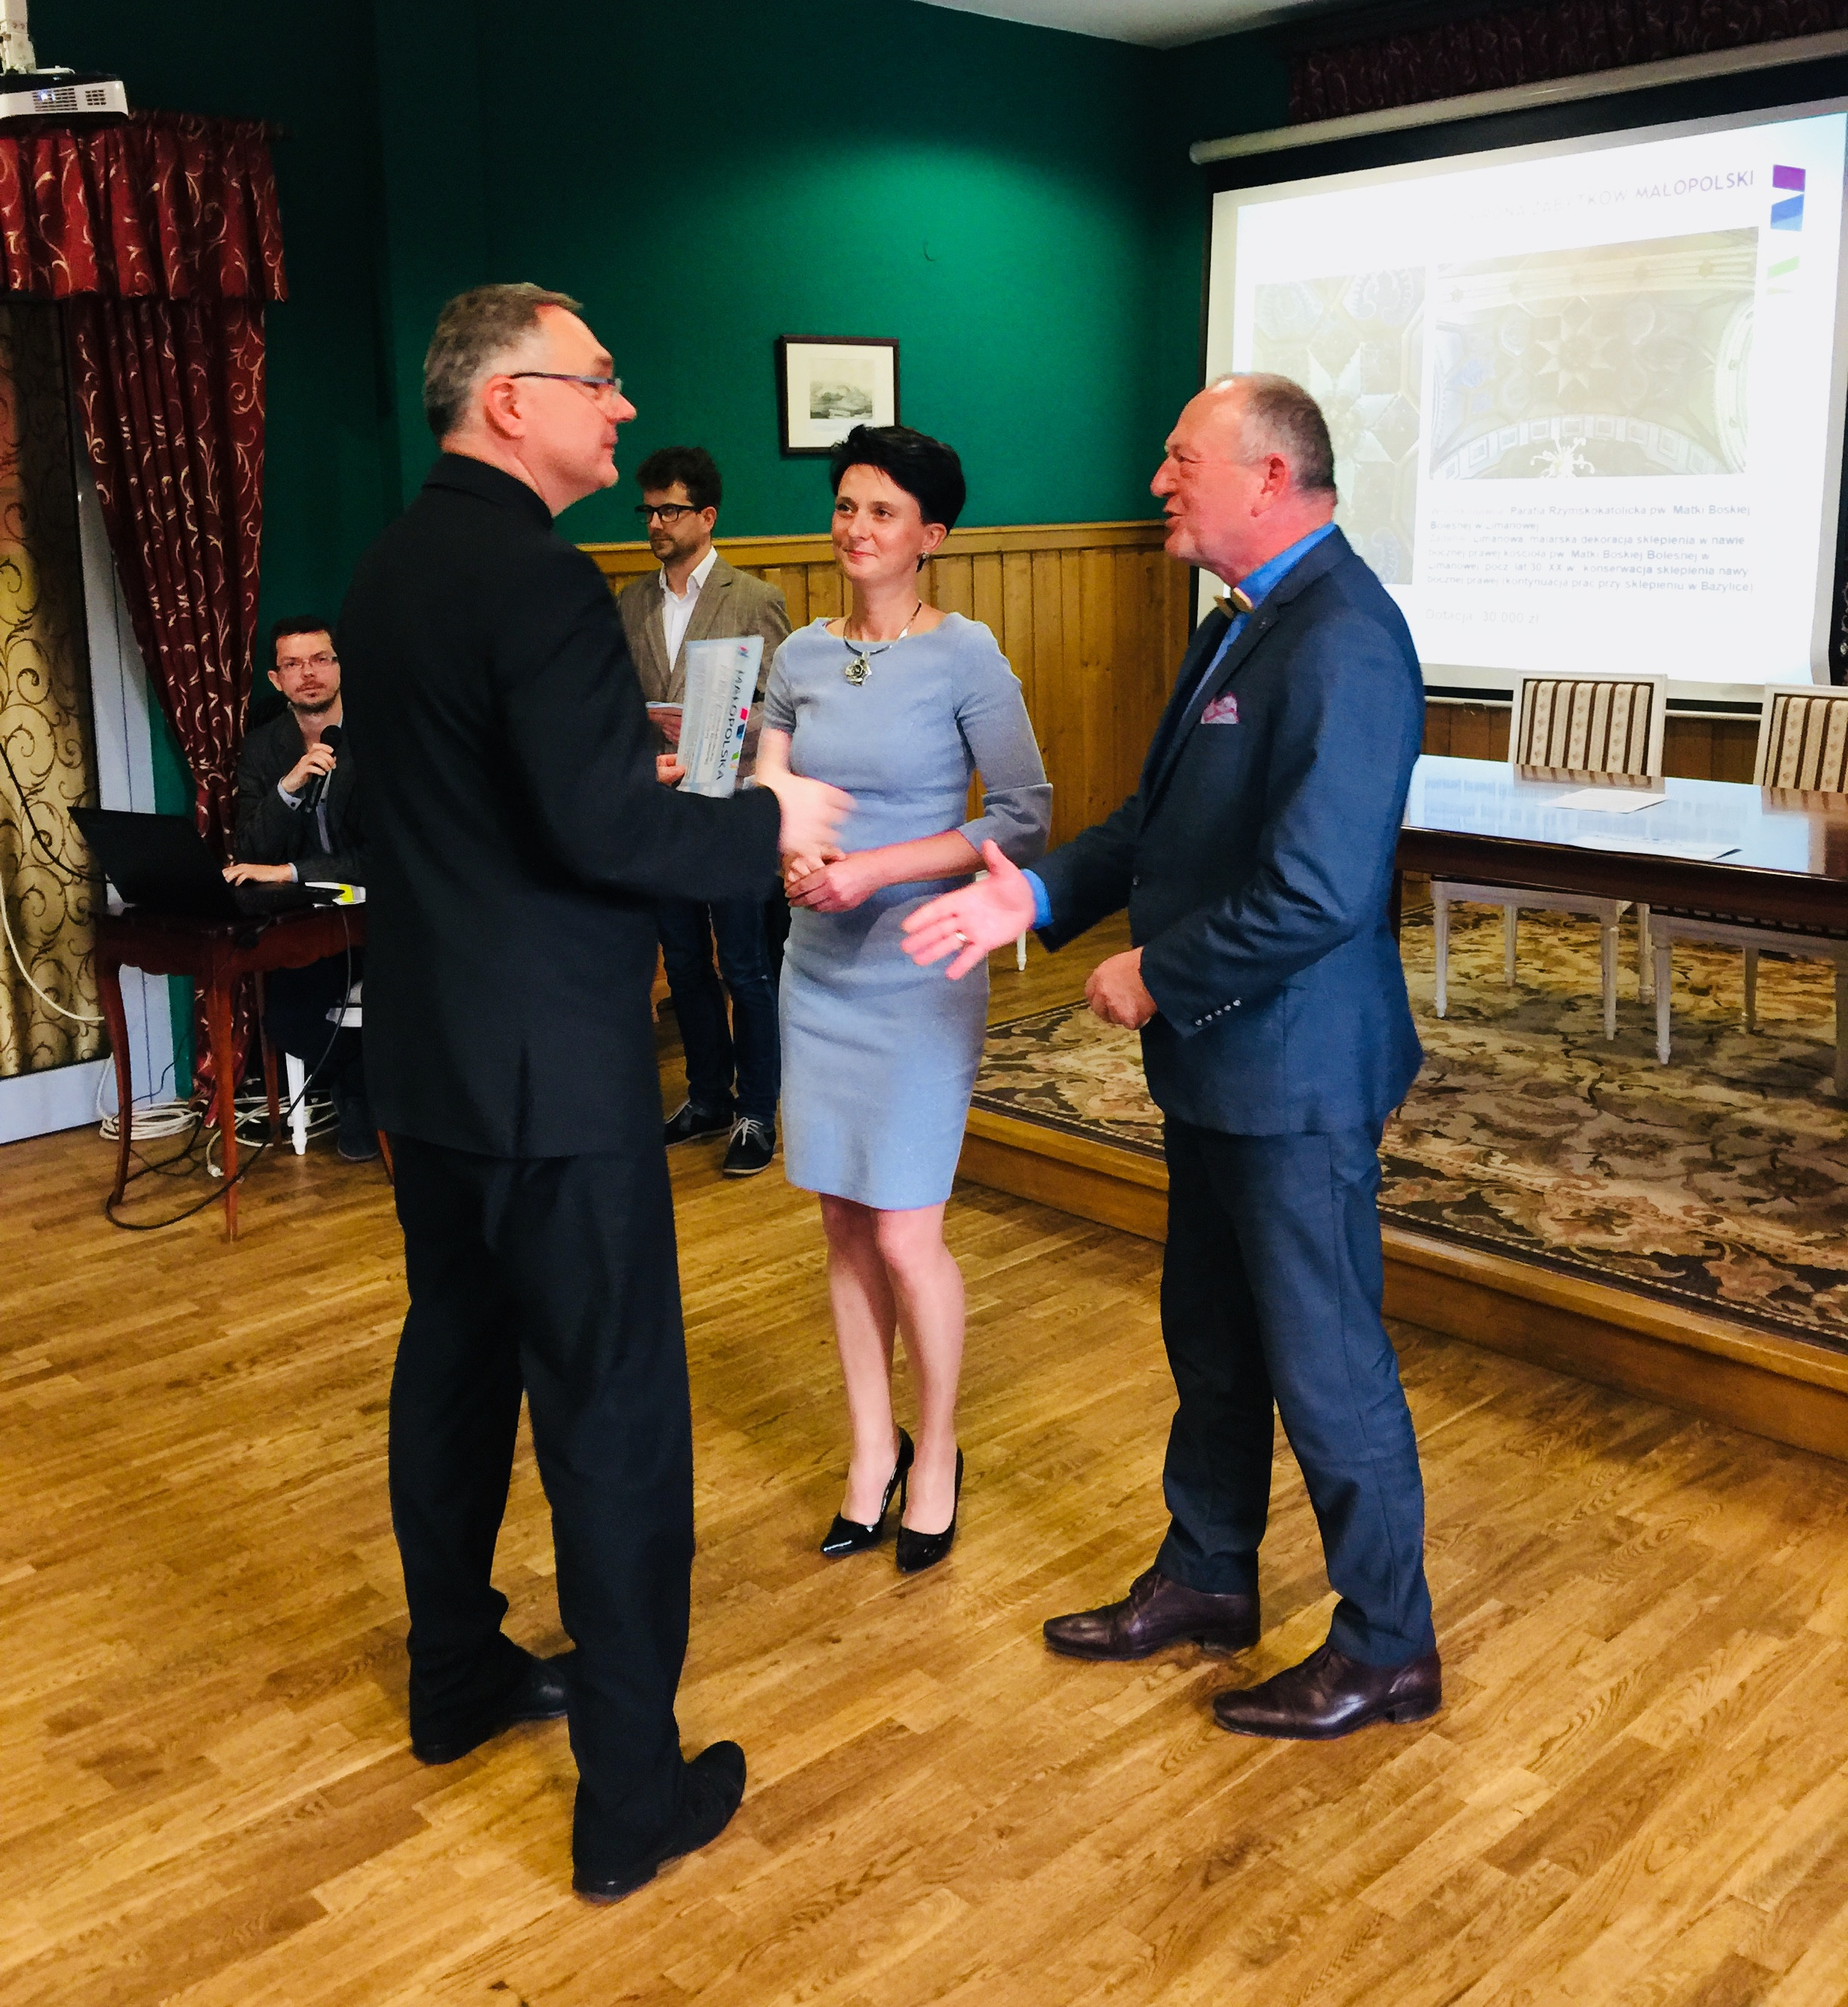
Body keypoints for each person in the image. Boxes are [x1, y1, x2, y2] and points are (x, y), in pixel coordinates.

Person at [337, 283, 849, 1903]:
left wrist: (635, 784)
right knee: (613, 1415)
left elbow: (482, 802)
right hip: (553, 1075)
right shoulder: (546, 581)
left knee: (455, 1364)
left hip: (431, 1061)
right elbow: (602, 836)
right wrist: (766, 820)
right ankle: (632, 1794)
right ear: (510, 400)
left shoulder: (390, 565)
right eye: (598, 380)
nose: (622, 408)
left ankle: (455, 1676)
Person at [903, 374, 1440, 1738]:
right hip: (1223, 1068)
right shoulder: (1236, 624)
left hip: (1296, 1075)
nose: (1156, 481)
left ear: (1268, 477)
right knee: (1210, 1337)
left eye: (1178, 459)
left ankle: (1389, 1645)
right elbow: (1156, 822)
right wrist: (1031, 895)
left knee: (1326, 1364)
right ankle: (1208, 1572)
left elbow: (1318, 891)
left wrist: (1155, 970)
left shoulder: (1345, 638)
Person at [756, 424, 1050, 1574]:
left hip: (922, 967)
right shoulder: (800, 654)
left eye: (882, 511)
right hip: (817, 969)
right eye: (845, 505)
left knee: (905, 1230)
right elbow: (768, 783)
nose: (855, 528)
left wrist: (878, 867)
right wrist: (790, 849)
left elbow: (1023, 815)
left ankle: (938, 1457)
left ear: (932, 536)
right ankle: (872, 1451)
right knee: (842, 1220)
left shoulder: (967, 654)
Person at [616, 446, 792, 1177]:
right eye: (649, 511)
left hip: (731, 809)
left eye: (670, 510)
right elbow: (618, 703)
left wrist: (718, 729)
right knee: (685, 964)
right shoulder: (630, 603)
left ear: (707, 516)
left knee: (745, 966)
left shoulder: (753, 598)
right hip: (662, 811)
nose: (656, 523)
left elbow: (784, 709)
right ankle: (708, 1096)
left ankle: (758, 1110)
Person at [226, 617, 374, 1162]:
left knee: (405, 1005)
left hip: (384, 911)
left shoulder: (379, 736)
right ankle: (356, 1084)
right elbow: (250, 845)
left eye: (320, 660)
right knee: (288, 1019)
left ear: (339, 667)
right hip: (313, 917)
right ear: (276, 678)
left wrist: (291, 872)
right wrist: (288, 787)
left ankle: (363, 1098)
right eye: (293, 664)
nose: (308, 673)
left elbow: (383, 854)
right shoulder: (264, 749)